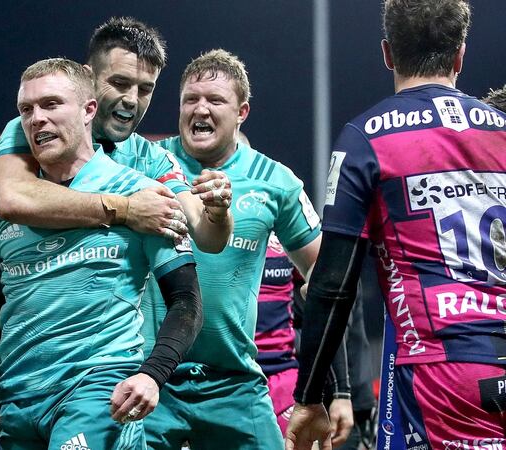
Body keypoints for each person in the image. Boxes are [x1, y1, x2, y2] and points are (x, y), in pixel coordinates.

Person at [0, 58, 203, 450]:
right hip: (16, 398)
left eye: (51, 105)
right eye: (26, 110)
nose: (36, 119)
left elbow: (186, 300)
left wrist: (152, 374)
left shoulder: (145, 196)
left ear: (89, 110)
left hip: (98, 389)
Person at [288, 1, 506, 449]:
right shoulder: (502, 129)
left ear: (388, 53)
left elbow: (332, 285)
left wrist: (311, 397)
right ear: (460, 55)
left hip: (441, 375)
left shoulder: (366, 137)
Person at [138, 48, 330, 450]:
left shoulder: (275, 180)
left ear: (242, 112)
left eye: (215, 100)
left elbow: (326, 275)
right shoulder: (146, 162)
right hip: (151, 382)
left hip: (235, 384)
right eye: (191, 99)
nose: (200, 109)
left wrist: (330, 387)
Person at [0, 17, 233, 253]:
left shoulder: (152, 159)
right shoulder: (36, 127)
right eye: (120, 83)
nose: (131, 99)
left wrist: (219, 212)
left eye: (145, 89)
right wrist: (126, 210)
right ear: (88, 76)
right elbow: (12, 198)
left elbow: (207, 238)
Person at [253, 233, 353, 446]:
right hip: (221, 381)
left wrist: (341, 392)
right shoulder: (195, 214)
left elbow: (325, 299)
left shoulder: (288, 223)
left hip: (283, 380)